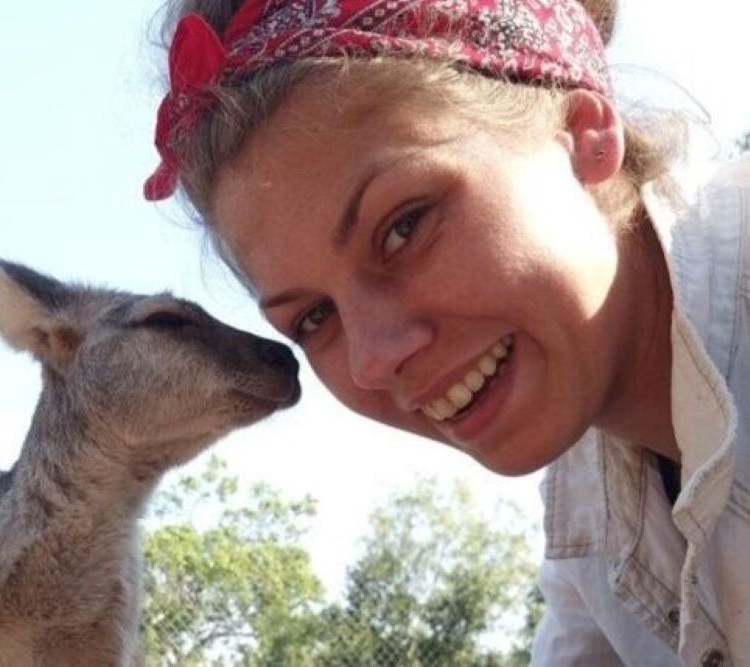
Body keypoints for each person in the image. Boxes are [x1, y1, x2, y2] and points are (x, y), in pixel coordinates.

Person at [143, 0, 750, 664]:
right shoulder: (590, 505)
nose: (373, 358)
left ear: (583, 132)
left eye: (404, 226)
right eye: (314, 319)